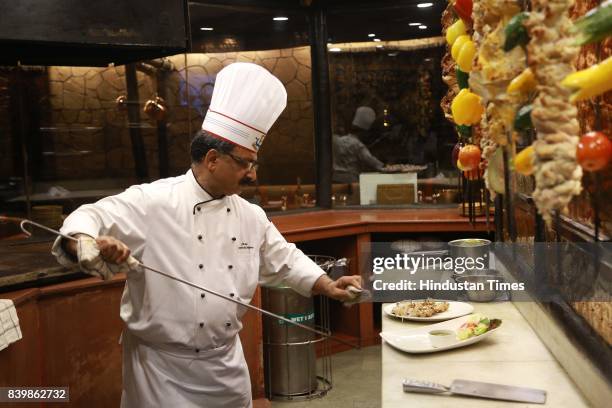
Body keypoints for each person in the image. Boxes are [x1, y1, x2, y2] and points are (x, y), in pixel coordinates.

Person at [51, 63, 362, 408]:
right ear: (213, 159)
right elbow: (89, 216)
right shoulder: (155, 202)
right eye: (245, 164)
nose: (252, 175)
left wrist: (327, 285)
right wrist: (87, 242)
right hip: (160, 374)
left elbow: (284, 259)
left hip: (225, 369)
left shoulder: (250, 215)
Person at [332, 106, 385, 183]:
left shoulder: (335, 140)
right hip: (351, 180)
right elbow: (371, 161)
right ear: (363, 133)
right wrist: (386, 167)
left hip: (335, 178)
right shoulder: (357, 145)